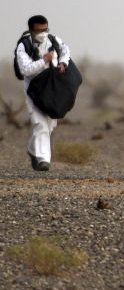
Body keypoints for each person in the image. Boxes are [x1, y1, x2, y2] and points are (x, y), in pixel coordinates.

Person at [14, 15, 71, 172]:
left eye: (45, 30)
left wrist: (62, 63)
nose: (43, 33)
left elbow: (66, 51)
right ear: (31, 30)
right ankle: (43, 160)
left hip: (52, 87)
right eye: (39, 30)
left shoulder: (53, 40)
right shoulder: (23, 46)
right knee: (39, 123)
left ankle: (33, 150)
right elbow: (25, 69)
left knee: (50, 124)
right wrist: (43, 61)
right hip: (34, 89)